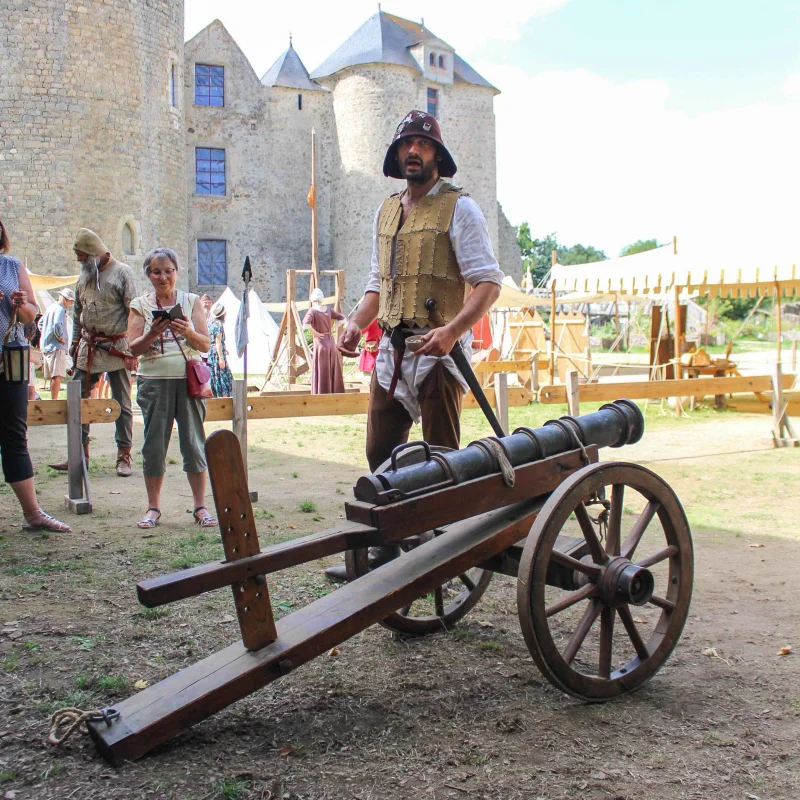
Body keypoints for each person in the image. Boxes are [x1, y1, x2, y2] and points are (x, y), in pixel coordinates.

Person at [330, 110, 503, 579]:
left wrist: (452, 332)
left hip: (438, 354)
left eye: (422, 145)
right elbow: (376, 284)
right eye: (406, 144)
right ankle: (388, 548)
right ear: (396, 153)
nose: (413, 151)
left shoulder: (459, 208)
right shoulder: (386, 210)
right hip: (392, 348)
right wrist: (353, 323)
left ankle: (439, 556)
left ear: (437, 155)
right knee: (379, 454)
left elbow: (488, 282)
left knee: (441, 457)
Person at [128, 247, 216, 530]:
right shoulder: (139, 304)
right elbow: (133, 348)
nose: (163, 276)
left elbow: (205, 344)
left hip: (187, 381)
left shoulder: (191, 302)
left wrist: (187, 331)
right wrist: (154, 331)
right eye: (156, 271)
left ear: (177, 272)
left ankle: (200, 506)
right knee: (154, 445)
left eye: (168, 271)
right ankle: (153, 508)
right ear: (149, 275)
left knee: (193, 443)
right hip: (153, 383)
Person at [0, 218, 70, 532]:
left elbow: (30, 316)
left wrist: (15, 302)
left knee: (15, 437)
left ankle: (33, 514)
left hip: (8, 361)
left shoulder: (12, 267)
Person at [49, 229, 138, 476]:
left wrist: (133, 349)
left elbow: (135, 312)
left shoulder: (122, 273)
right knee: (76, 399)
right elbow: (78, 314)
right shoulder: (85, 275)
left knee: (122, 403)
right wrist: (76, 344)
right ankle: (79, 455)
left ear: (92, 253)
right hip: (88, 348)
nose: (78, 261)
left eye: (81, 256)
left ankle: (124, 456)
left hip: (116, 348)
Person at [303, 287, 345, 394]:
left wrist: (316, 333)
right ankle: (334, 391)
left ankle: (321, 392)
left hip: (321, 342)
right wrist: (333, 328)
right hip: (330, 341)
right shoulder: (328, 310)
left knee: (321, 367)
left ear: (312, 300)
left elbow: (305, 325)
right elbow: (343, 319)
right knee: (332, 367)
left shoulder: (312, 311)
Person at [40, 288, 75, 399]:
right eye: (71, 300)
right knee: (57, 375)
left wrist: (47, 334)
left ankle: (53, 399)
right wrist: (60, 337)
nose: (71, 303)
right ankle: (54, 400)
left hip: (47, 346)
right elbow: (57, 324)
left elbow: (40, 323)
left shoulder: (50, 308)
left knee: (53, 376)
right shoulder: (60, 309)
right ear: (66, 299)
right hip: (56, 347)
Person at [208, 302, 233, 398]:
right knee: (221, 374)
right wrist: (221, 357)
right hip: (216, 354)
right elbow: (218, 342)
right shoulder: (218, 325)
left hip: (213, 352)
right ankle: (223, 395)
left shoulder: (213, 324)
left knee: (214, 374)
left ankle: (215, 394)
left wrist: (223, 348)